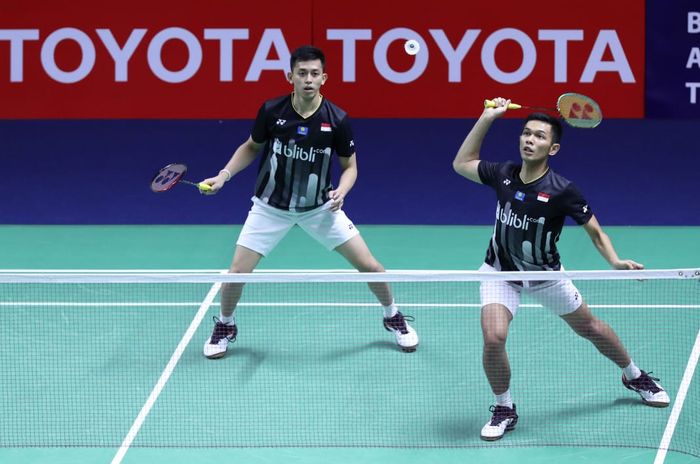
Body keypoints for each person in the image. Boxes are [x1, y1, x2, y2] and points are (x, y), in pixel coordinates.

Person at [452, 98, 669, 441]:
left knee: (592, 328)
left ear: (552, 148)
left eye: (538, 136)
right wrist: (487, 117)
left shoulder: (561, 190)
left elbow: (595, 231)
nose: (529, 140)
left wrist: (614, 261)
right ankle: (505, 407)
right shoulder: (503, 174)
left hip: (545, 275)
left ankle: (633, 373)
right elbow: (462, 162)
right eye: (525, 133)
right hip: (500, 271)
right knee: (494, 338)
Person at [198, 45, 418, 359]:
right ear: (290, 76)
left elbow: (350, 167)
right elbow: (251, 147)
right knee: (236, 275)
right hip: (270, 207)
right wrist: (224, 175)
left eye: (315, 73)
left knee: (371, 267)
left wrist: (342, 190)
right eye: (302, 73)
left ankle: (393, 315)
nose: (308, 79)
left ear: (324, 78)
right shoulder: (272, 111)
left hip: (319, 209)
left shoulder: (337, 119)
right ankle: (225, 323)